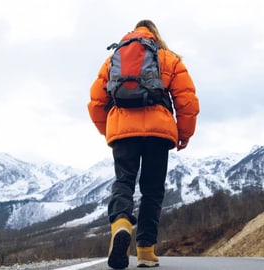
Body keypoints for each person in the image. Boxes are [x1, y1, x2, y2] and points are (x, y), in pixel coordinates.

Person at [87, 20, 199, 269]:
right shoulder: (168, 58)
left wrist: (109, 130)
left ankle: (121, 223)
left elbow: (96, 102)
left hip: (123, 131)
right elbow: (186, 99)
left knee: (124, 181)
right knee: (152, 189)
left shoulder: (113, 59)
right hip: (159, 133)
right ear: (156, 35)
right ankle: (146, 250)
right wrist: (184, 134)